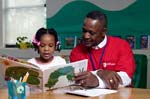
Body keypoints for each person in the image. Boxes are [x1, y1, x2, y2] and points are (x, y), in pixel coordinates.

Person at [70, 11, 135, 89]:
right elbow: (80, 80)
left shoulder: (121, 45)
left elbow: (125, 79)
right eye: (84, 31)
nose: (86, 36)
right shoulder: (76, 51)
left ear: (103, 32)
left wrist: (97, 82)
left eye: (91, 33)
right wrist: (100, 72)